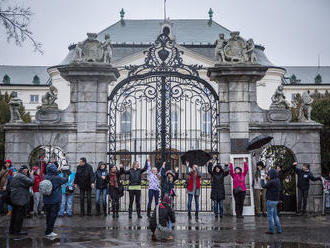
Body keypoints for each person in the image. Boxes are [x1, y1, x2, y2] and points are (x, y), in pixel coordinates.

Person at [43, 164, 68, 237]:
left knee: (48, 216)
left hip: (46, 200)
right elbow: (65, 180)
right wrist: (65, 173)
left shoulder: (45, 176)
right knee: (53, 216)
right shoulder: (57, 178)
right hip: (54, 200)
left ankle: (48, 230)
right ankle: (49, 231)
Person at [9, 165, 34, 235]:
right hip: (20, 200)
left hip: (15, 199)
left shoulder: (17, 175)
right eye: (27, 170)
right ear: (24, 170)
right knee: (19, 216)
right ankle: (17, 231)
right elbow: (31, 182)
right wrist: (31, 175)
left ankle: (11, 230)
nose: (27, 171)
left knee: (14, 215)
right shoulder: (21, 176)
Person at [261, 169, 282, 235]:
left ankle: (271, 230)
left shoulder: (272, 181)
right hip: (275, 201)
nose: (269, 175)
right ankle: (279, 229)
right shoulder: (278, 180)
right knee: (275, 216)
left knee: (270, 216)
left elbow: (263, 186)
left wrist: (262, 179)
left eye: (269, 174)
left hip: (270, 201)